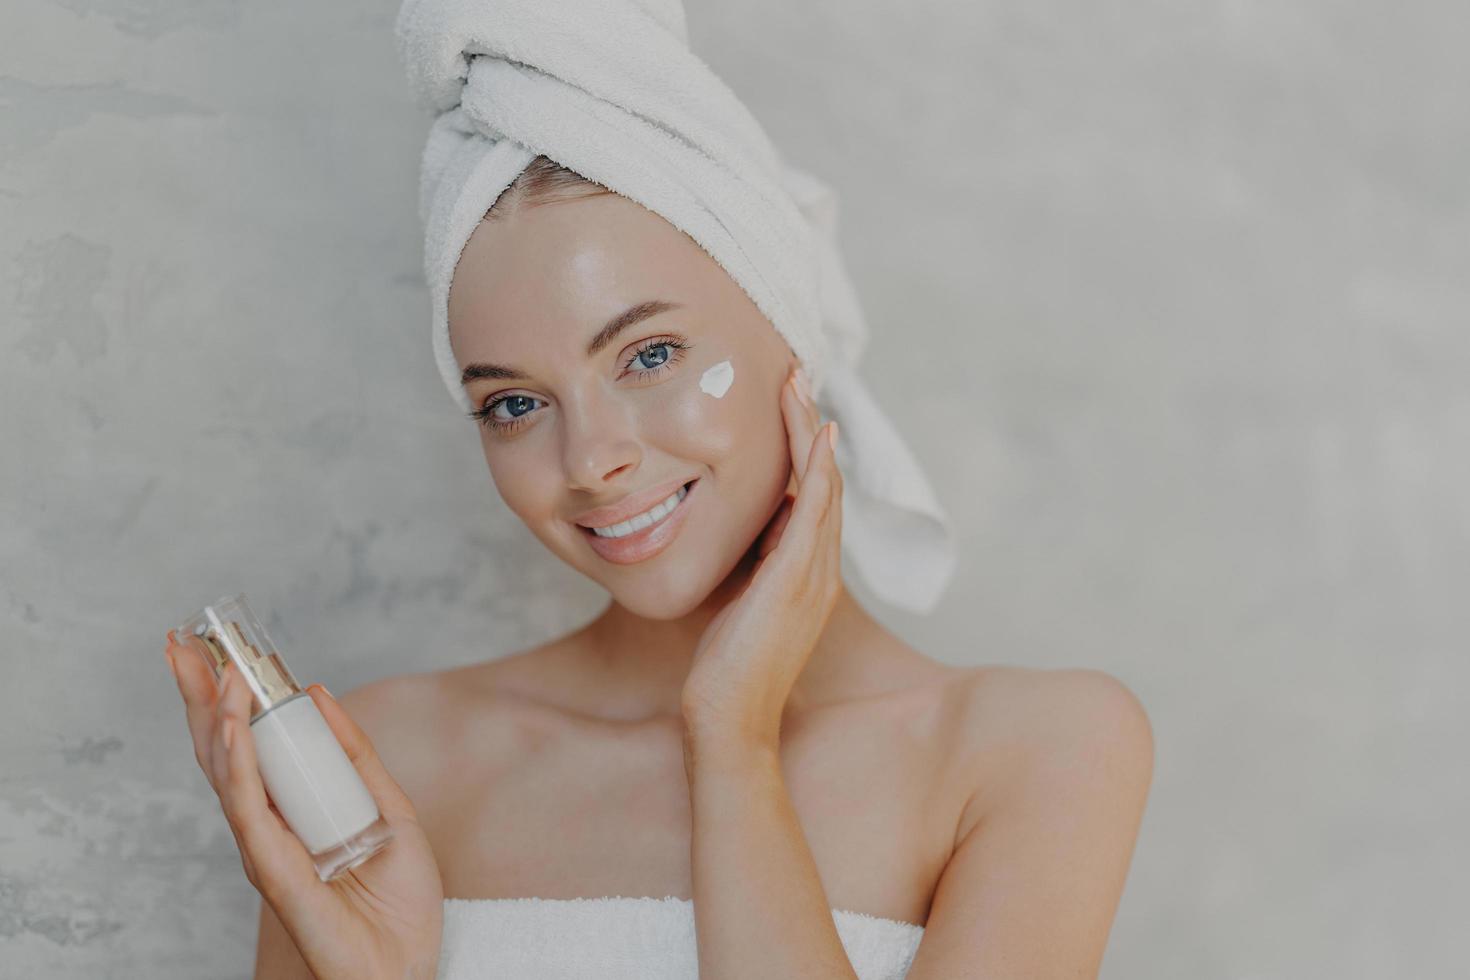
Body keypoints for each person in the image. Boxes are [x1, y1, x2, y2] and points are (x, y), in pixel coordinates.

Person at [163, 156, 1154, 979]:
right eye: (514, 404)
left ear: (789, 334)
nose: (591, 460)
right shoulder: (383, 767)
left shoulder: (1032, 750)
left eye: (650, 354)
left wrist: (732, 740)